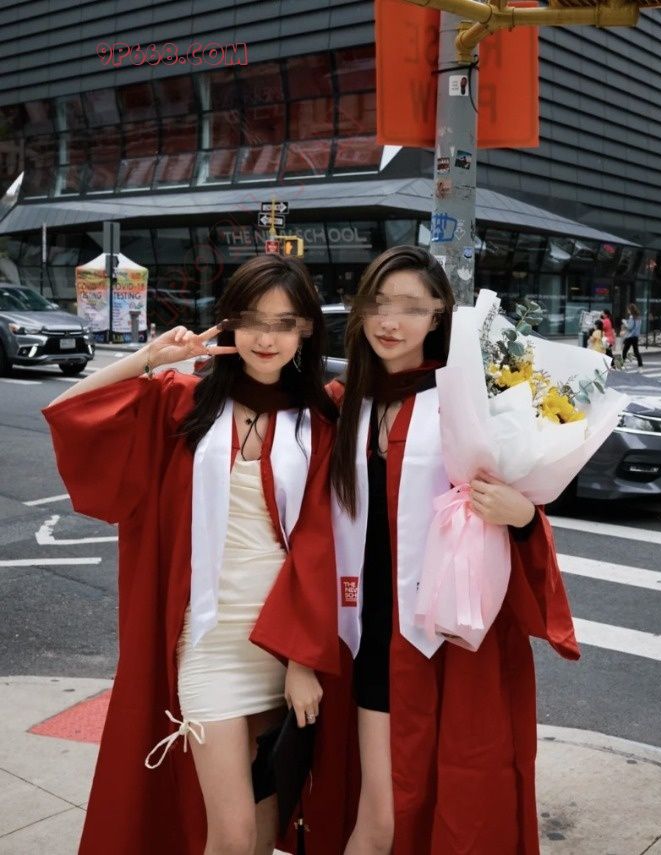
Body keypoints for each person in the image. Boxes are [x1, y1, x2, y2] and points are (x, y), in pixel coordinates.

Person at [285, 246, 580, 855]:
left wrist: (523, 516)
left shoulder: (470, 401)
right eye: (378, 304)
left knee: (452, 803)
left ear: (439, 315)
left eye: (411, 308)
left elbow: (523, 514)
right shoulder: (343, 404)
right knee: (382, 819)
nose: (390, 321)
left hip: (453, 638)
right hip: (371, 634)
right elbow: (307, 526)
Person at [42, 255, 339, 855]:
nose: (266, 338)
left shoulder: (320, 419)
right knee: (229, 834)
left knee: (263, 831)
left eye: (284, 323)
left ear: (305, 331)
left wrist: (304, 659)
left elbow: (321, 547)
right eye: (252, 320)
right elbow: (72, 412)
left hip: (282, 644)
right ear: (229, 322)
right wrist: (150, 358)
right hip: (208, 645)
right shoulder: (184, 402)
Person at [622, 303, 644, 368]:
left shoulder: (631, 317)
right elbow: (637, 327)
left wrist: (625, 323)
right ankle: (640, 365)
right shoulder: (638, 317)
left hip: (630, 336)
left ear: (630, 310)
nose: (627, 311)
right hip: (636, 336)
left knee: (624, 350)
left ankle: (622, 364)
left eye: (628, 309)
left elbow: (630, 327)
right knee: (636, 351)